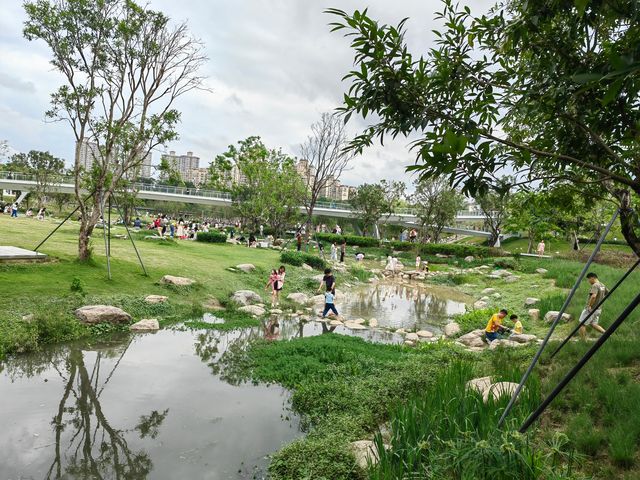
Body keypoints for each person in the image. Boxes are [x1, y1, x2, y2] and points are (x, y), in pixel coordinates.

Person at [579, 272, 607, 340]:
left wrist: (589, 306)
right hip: (598, 309)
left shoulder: (595, 285)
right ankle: (608, 334)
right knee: (594, 324)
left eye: (589, 279)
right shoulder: (602, 285)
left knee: (582, 324)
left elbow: (593, 296)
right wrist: (600, 300)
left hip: (591, 309)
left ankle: (583, 341)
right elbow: (607, 293)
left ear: (593, 278)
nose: (588, 281)